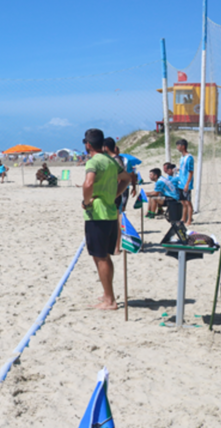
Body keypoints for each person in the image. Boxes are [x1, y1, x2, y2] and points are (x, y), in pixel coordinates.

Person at [81, 129, 130, 311]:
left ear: (88, 144)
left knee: (100, 257)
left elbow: (88, 183)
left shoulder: (94, 161)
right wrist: (114, 194)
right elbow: (126, 179)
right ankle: (107, 293)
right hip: (110, 212)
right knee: (105, 257)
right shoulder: (111, 160)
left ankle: (109, 300)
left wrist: (86, 202)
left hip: (98, 214)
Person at [175, 139, 195, 225]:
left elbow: (191, 171)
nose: (177, 147)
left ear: (183, 146)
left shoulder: (189, 158)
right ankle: (183, 218)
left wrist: (187, 184)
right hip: (181, 182)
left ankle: (189, 219)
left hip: (186, 182)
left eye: (178, 145)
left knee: (188, 202)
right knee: (183, 202)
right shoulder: (182, 157)